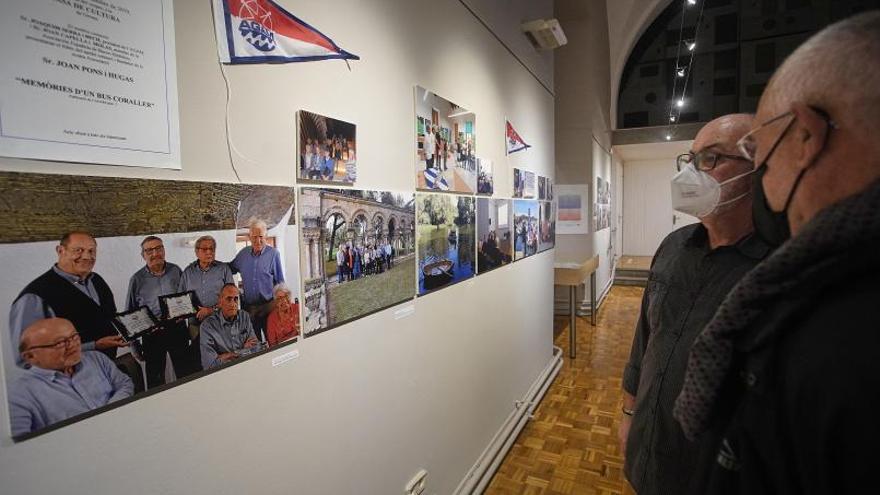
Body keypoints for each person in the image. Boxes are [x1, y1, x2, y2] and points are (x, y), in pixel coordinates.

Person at [671, 12, 880, 495]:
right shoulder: (807, 287)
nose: (763, 169)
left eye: (759, 147)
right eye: (692, 161)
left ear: (805, 136)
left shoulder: (827, 320)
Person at [620, 114, 768, 495]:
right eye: (690, 160)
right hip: (648, 453)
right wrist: (629, 412)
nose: (690, 174)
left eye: (711, 158)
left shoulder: (776, 269)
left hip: (715, 476)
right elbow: (646, 337)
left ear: (758, 167)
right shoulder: (672, 248)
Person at [9, 231, 127, 368]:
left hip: (106, 369)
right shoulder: (34, 297)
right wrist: (94, 345)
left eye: (91, 251)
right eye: (79, 250)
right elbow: (26, 360)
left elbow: (108, 317)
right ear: (60, 251)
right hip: (67, 382)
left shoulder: (97, 280)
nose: (87, 256)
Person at [9, 318, 133, 436]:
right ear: (30, 356)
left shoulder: (96, 358)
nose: (73, 345)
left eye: (74, 336)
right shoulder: (19, 394)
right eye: (59, 343)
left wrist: (110, 411)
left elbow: (125, 384)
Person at [126, 236, 200, 389]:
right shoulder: (137, 279)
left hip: (177, 330)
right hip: (152, 335)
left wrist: (191, 325)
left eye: (159, 248)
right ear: (143, 255)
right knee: (155, 380)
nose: (155, 253)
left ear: (164, 250)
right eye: (149, 250)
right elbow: (129, 313)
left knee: (187, 374)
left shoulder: (176, 271)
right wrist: (133, 346)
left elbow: (187, 299)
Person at [230, 218, 284, 342]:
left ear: (266, 236)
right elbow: (230, 268)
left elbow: (280, 283)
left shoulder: (273, 254)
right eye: (254, 237)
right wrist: (214, 265)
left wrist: (278, 306)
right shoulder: (243, 254)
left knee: (273, 342)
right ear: (249, 237)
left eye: (261, 236)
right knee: (254, 346)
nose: (258, 241)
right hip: (249, 311)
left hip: (268, 308)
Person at [178, 235, 235, 338]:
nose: (209, 252)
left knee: (223, 352)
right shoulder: (188, 272)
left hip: (220, 322)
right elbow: (181, 298)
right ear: (196, 252)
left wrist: (210, 310)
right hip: (196, 324)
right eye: (204, 249)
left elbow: (232, 298)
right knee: (198, 353)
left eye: (212, 249)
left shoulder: (224, 269)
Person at [199, 284, 258, 370]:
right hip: (223, 372)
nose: (233, 304)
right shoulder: (207, 327)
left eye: (235, 299)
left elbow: (255, 348)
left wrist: (225, 356)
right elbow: (210, 365)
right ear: (220, 302)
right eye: (229, 299)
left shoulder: (244, 316)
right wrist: (242, 350)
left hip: (246, 367)